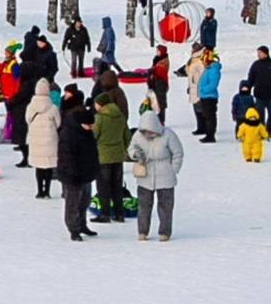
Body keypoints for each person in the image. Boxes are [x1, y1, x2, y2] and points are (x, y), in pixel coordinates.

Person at [127, 108, 184, 242]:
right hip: (145, 176)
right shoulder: (137, 135)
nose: (148, 134)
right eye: (145, 131)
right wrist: (135, 155)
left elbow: (178, 153)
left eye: (150, 131)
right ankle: (142, 231)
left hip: (165, 175)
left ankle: (165, 232)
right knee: (144, 206)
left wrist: (173, 170)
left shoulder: (169, 135)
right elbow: (131, 148)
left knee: (165, 206)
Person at [57, 84, 99, 242]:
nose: (90, 128)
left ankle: (82, 224)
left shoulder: (86, 132)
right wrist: (72, 173)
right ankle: (73, 229)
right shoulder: (68, 133)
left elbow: (92, 152)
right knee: (73, 203)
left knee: (85, 200)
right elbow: (66, 156)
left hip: (85, 171)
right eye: (88, 125)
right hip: (73, 173)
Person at [93, 70, 130, 223]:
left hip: (103, 156)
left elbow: (94, 136)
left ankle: (105, 214)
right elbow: (127, 136)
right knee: (116, 185)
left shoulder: (100, 118)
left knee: (103, 186)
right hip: (118, 155)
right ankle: (119, 213)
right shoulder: (120, 116)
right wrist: (122, 147)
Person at [26, 77, 60, 200]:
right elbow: (58, 123)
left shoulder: (31, 107)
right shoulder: (53, 107)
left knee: (38, 167)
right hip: (50, 140)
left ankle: (39, 190)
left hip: (35, 140)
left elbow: (28, 120)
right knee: (49, 167)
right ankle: (47, 191)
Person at [245, 45, 271, 134]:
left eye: (260, 53)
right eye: (258, 53)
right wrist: (248, 88)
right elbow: (251, 78)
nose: (258, 55)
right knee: (260, 114)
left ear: (266, 53)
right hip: (259, 94)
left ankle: (269, 130)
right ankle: (262, 130)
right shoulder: (256, 65)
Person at [194, 51, 222, 143]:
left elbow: (213, 85)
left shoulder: (213, 70)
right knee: (207, 116)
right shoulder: (208, 69)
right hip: (205, 96)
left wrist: (203, 90)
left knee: (210, 116)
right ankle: (208, 133)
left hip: (209, 97)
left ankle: (210, 135)